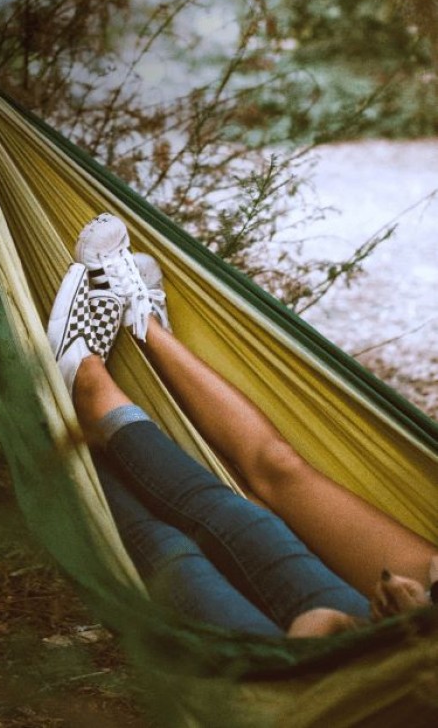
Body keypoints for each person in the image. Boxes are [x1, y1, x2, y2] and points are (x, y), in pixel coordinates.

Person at [46, 212, 438, 638]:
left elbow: (315, 630)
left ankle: (86, 389)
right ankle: (145, 331)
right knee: (274, 474)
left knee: (179, 549)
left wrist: (365, 630)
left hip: (346, 682)